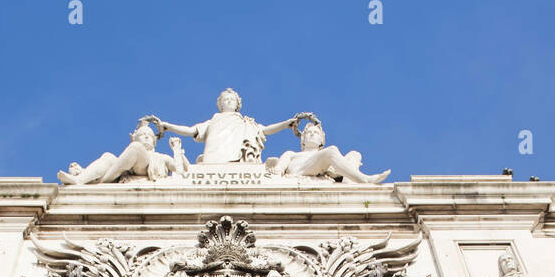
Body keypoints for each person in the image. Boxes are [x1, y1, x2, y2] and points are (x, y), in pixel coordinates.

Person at [143, 89, 306, 164]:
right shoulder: (212, 121)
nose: (228, 101)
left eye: (231, 99)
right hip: (213, 157)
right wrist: (167, 126)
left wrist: (286, 124)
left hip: (238, 157)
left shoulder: (246, 122)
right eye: (225, 100)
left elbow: (265, 130)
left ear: (237, 104)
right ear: (220, 105)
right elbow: (191, 130)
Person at [265, 119, 390, 183]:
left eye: (316, 133)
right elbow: (278, 170)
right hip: (300, 171)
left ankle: (349, 183)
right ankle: (364, 180)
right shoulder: (291, 154)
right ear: (303, 140)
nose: (312, 134)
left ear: (321, 141)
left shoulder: (325, 157)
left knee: (354, 154)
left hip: (321, 166)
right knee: (331, 151)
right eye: (309, 133)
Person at [58, 124, 188, 185]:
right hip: (126, 169)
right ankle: (81, 179)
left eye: (149, 135)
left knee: (136, 148)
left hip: (144, 169)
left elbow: (182, 172)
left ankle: (96, 180)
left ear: (154, 141)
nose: (146, 137)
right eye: (142, 134)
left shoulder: (162, 157)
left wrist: (177, 150)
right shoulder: (132, 150)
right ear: (134, 138)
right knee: (108, 156)